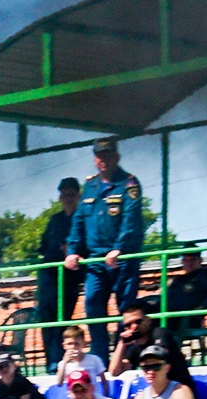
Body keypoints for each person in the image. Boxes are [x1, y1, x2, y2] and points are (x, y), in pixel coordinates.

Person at [65, 137, 146, 357]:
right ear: (94, 159)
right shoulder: (90, 186)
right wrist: (73, 250)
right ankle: (101, 358)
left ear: (117, 157)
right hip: (96, 260)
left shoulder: (129, 183)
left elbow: (131, 220)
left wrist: (119, 248)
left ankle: (127, 357)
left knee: (127, 311)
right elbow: (79, 221)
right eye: (100, 156)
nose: (104, 160)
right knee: (92, 304)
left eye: (108, 155)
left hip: (123, 258)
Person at [37, 178, 83, 376]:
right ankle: (50, 362)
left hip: (69, 278)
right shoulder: (55, 220)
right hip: (49, 277)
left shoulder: (82, 218)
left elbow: (87, 245)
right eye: (64, 195)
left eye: (71, 194)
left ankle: (58, 360)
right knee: (46, 319)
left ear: (78, 195)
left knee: (61, 320)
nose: (67, 198)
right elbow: (44, 246)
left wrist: (73, 250)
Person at [106, 298, 182, 378]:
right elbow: (114, 372)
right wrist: (122, 343)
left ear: (148, 320)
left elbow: (158, 357)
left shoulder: (160, 333)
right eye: (128, 325)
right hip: (158, 389)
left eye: (138, 322)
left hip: (178, 386)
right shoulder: (136, 348)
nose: (134, 326)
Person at [161, 247, 207, 330]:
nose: (189, 263)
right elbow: (167, 297)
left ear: (200, 260)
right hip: (170, 313)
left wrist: (202, 307)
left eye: (192, 260)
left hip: (187, 317)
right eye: (186, 260)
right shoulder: (178, 280)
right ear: (182, 262)